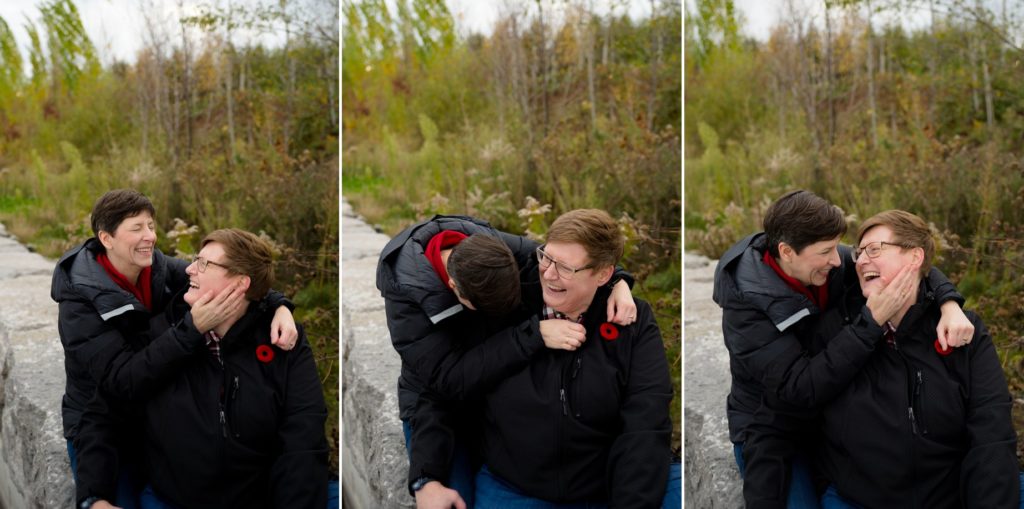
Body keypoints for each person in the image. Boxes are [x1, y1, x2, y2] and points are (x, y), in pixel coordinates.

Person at [712, 190, 973, 508]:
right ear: (787, 251)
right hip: (773, 425)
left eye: (837, 247)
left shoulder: (825, 261)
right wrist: (871, 322)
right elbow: (798, 389)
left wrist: (948, 302)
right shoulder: (745, 305)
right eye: (826, 251)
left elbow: (907, 268)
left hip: (833, 415)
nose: (839, 260)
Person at [50, 189, 298, 508]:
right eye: (136, 227)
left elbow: (228, 282)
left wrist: (278, 305)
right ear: (106, 238)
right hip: (102, 427)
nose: (150, 236)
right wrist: (191, 329)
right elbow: (121, 383)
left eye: (151, 225)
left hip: (160, 415)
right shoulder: (79, 302)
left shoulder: (158, 268)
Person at [376, 214, 638, 508]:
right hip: (435, 402)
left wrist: (617, 281)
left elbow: (571, 258)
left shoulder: (493, 247)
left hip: (492, 384)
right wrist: (425, 479)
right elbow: (445, 384)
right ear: (453, 287)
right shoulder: (404, 293)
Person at [462, 209, 677, 508]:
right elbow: (461, 376)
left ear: (603, 274)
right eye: (546, 257)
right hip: (514, 485)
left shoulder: (632, 321)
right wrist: (532, 336)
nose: (548, 274)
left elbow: (645, 420)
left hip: (605, 485)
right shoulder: (507, 304)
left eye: (564, 267)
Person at [810, 210, 1019, 507]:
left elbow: (992, 434)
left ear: (914, 258)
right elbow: (804, 405)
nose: (862, 260)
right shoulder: (833, 329)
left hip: (952, 493)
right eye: (859, 252)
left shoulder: (962, 331)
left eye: (875, 249)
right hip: (859, 498)